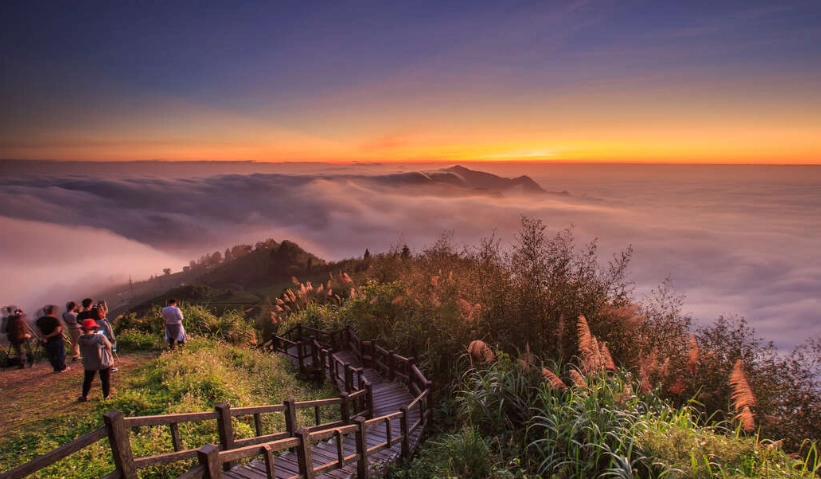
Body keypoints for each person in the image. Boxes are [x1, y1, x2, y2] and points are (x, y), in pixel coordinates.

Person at [77, 319, 114, 401]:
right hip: (103, 361)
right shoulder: (100, 337)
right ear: (93, 328)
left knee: (88, 380)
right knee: (105, 380)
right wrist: (110, 357)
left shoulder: (80, 339)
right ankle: (106, 396)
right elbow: (109, 346)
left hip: (89, 363)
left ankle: (84, 396)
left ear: (83, 329)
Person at [36, 305, 69, 373]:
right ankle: (61, 367)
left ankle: (56, 368)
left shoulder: (40, 320)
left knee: (51, 355)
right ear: (53, 311)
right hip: (56, 339)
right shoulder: (55, 320)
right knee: (59, 353)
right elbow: (57, 330)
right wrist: (49, 336)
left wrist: (43, 337)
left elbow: (38, 331)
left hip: (47, 341)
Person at [94, 301, 118, 372]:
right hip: (107, 339)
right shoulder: (104, 322)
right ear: (100, 313)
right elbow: (109, 331)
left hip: (99, 339)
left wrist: (104, 305)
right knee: (109, 352)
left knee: (102, 354)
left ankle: (103, 366)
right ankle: (111, 366)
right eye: (102, 311)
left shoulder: (95, 321)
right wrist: (113, 338)